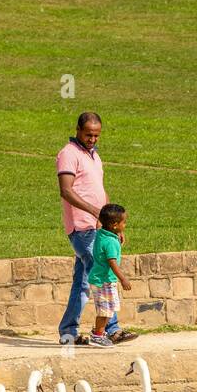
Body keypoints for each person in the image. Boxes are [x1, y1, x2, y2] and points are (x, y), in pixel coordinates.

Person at [56, 112, 133, 345]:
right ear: (78, 130)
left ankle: (68, 332)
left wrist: (113, 223)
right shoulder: (68, 154)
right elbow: (66, 190)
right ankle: (110, 329)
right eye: (88, 135)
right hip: (82, 227)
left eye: (96, 136)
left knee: (82, 281)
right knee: (102, 274)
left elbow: (100, 189)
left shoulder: (94, 156)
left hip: (99, 227)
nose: (92, 139)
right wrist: (95, 211)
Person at [87, 204, 133, 347]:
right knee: (105, 310)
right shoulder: (109, 242)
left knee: (108, 309)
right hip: (104, 281)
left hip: (102, 279)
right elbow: (112, 262)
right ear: (114, 225)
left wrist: (116, 235)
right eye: (123, 222)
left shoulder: (102, 234)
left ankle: (99, 332)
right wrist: (123, 279)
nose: (125, 225)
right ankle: (97, 336)